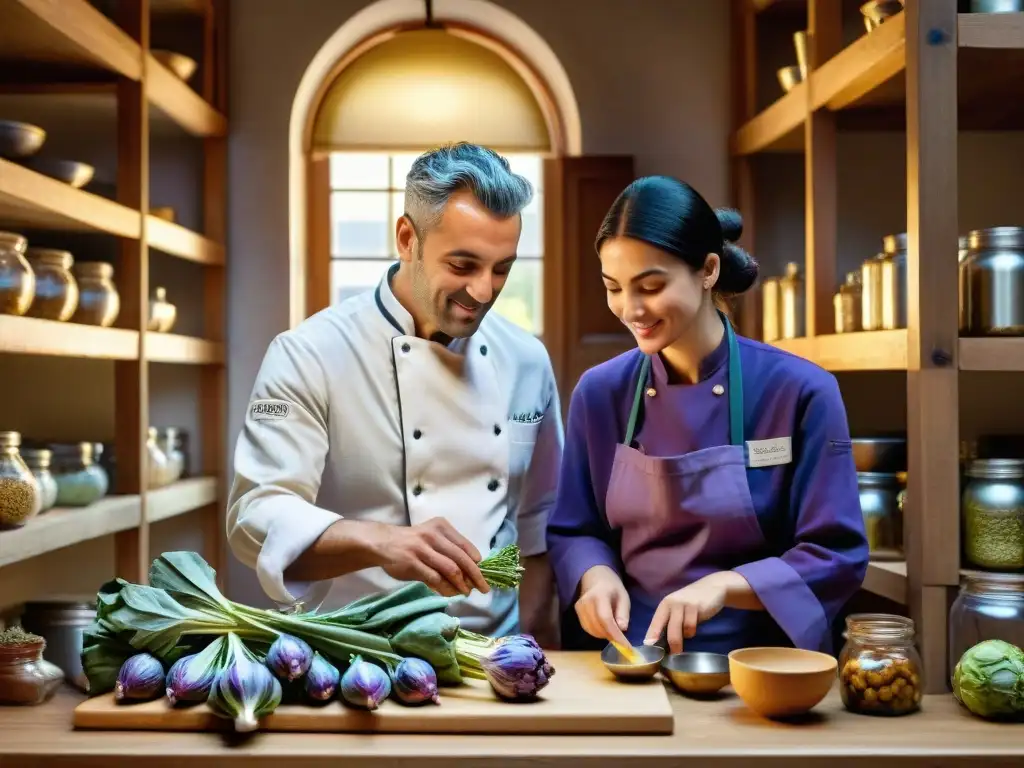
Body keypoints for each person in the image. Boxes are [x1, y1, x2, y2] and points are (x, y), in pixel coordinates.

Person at [227, 142, 562, 645]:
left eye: (502, 268)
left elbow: (539, 523)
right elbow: (256, 515)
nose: (485, 291)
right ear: (407, 238)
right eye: (463, 264)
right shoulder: (310, 354)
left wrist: (532, 640)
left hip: (494, 659)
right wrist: (380, 541)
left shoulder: (526, 360)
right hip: (360, 658)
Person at [546, 175, 869, 656]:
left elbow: (836, 553)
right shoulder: (601, 393)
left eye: (651, 286)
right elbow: (575, 527)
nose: (631, 309)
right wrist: (596, 577)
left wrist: (724, 585)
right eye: (614, 287)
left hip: (760, 668)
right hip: (633, 659)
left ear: (708, 270)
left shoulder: (802, 392)